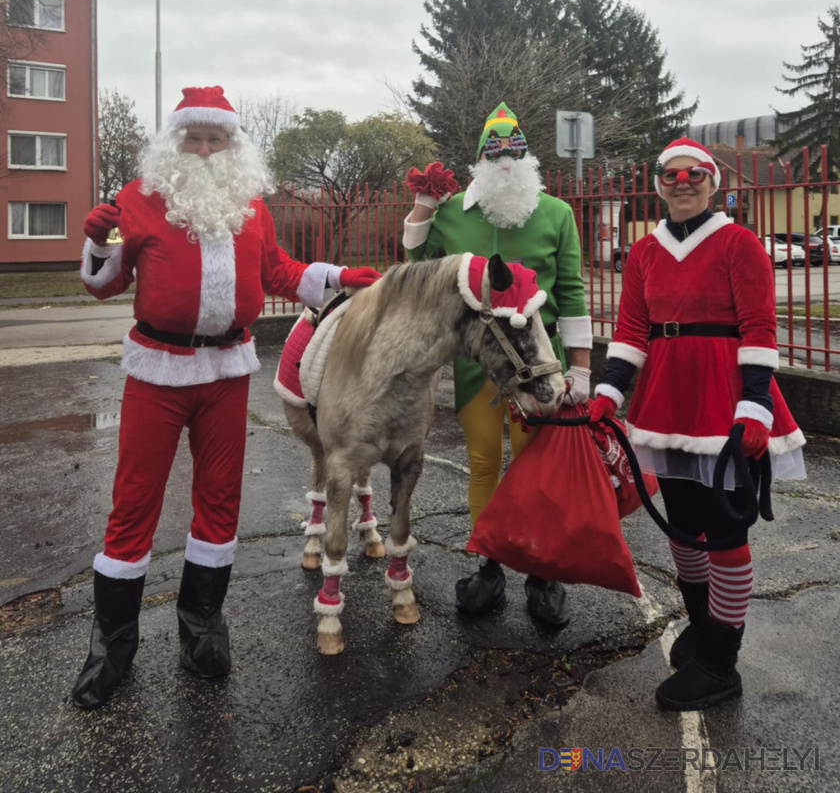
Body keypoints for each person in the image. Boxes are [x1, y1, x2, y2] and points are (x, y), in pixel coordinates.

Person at [72, 86, 380, 710]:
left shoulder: (252, 207)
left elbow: (279, 271)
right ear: (176, 142)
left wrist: (338, 277)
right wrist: (100, 244)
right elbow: (103, 285)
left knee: (220, 498)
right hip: (158, 370)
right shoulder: (139, 198)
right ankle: (112, 645)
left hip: (226, 372)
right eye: (195, 138)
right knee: (134, 500)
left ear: (232, 145)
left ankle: (202, 627)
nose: (206, 149)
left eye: (216, 139)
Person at [590, 137, 806, 711]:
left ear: (714, 182)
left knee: (724, 530)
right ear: (658, 184)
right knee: (682, 524)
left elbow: (759, 326)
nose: (683, 183)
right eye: (671, 175)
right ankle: (703, 625)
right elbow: (632, 329)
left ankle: (720, 663)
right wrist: (610, 391)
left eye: (695, 174)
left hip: (724, 398)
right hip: (665, 398)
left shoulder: (739, 242)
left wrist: (755, 406)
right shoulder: (644, 251)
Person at [403, 103, 592, 626]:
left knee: (536, 470)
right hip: (478, 368)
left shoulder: (556, 213)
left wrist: (581, 370)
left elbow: (572, 293)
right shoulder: (454, 213)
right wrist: (423, 209)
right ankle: (488, 566)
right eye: (494, 148)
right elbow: (418, 269)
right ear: (480, 157)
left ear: (527, 155)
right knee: (484, 463)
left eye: (514, 148)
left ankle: (541, 572)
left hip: (539, 368)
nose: (505, 157)